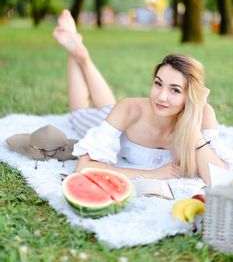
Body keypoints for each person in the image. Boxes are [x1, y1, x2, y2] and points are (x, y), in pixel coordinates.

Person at [53, 10, 233, 184]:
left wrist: (193, 128)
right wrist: (152, 174)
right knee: (79, 114)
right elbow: (84, 167)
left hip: (122, 115)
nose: (161, 97)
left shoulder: (203, 114)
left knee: (110, 106)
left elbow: (219, 179)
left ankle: (82, 55)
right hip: (121, 117)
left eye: (175, 90)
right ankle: (77, 53)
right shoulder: (129, 109)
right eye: (158, 83)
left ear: (191, 96)